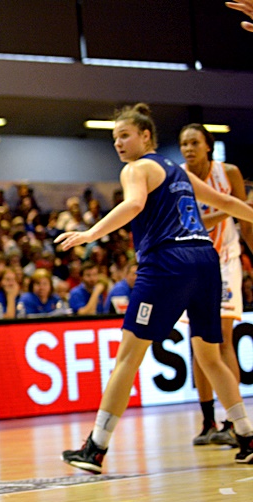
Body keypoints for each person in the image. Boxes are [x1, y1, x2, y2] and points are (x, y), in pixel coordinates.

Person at [57, 103, 253, 473]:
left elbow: (133, 204)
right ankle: (246, 434)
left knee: (128, 357)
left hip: (168, 262)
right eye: (114, 138)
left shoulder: (136, 168)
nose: (118, 143)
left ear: (146, 136)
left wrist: (90, 233)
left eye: (125, 135)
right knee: (210, 357)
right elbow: (227, 202)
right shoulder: (177, 171)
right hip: (205, 259)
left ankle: (95, 448)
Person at [179, 123, 253, 446]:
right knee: (197, 343)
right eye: (183, 144)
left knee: (222, 337)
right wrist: (227, 209)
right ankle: (208, 421)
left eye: (194, 142)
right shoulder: (176, 177)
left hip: (224, 261)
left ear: (208, 146)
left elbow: (246, 221)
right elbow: (192, 221)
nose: (188, 149)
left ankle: (235, 422)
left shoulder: (230, 173)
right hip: (191, 261)